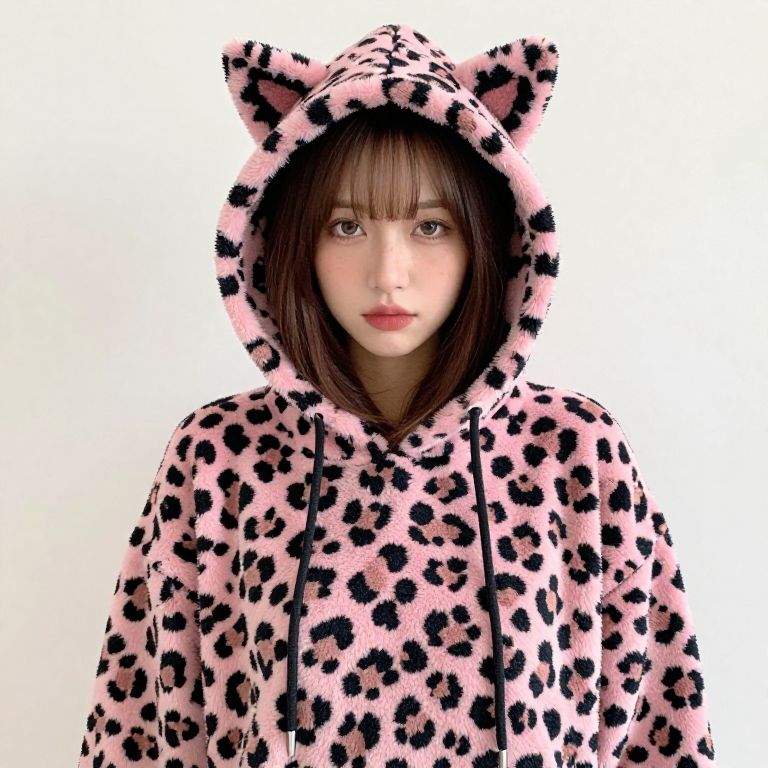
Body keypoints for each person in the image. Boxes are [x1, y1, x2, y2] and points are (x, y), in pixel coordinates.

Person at [76, 22, 718, 768]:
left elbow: (660, 728)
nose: (388, 272)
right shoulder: (219, 457)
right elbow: (139, 728)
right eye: (347, 225)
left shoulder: (572, 449)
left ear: (491, 240)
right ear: (291, 239)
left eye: (430, 226)